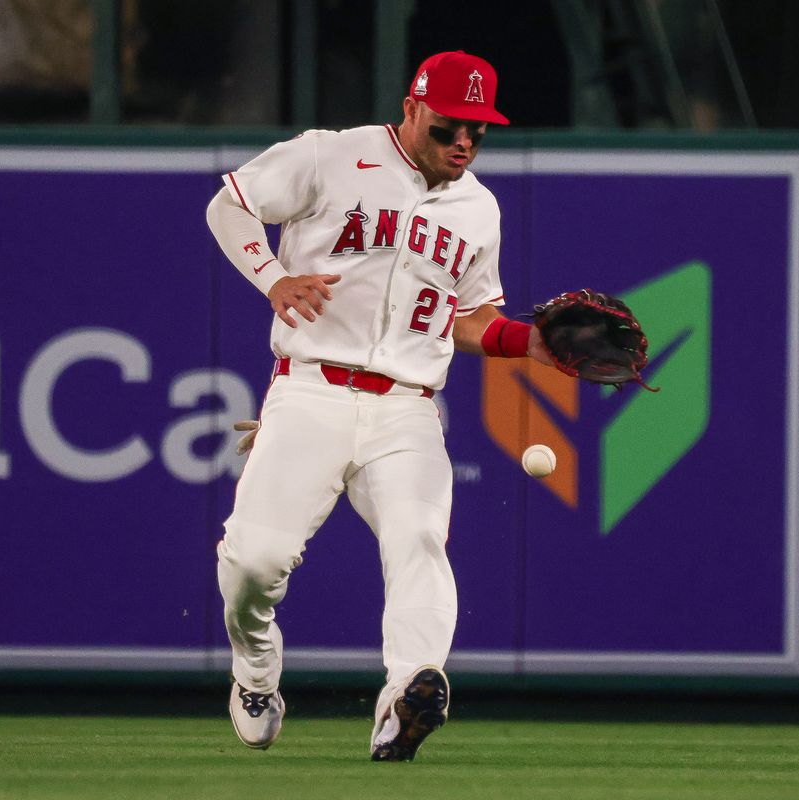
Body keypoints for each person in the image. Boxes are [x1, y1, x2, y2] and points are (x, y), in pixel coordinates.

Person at [204, 50, 553, 761]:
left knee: (419, 542)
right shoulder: (333, 157)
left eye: (479, 132)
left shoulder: (478, 208)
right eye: (451, 126)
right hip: (311, 392)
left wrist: (532, 342)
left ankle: (406, 696)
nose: (465, 143)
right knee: (253, 563)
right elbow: (229, 203)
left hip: (408, 408)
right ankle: (257, 670)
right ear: (413, 107)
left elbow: (469, 317)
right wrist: (272, 277)